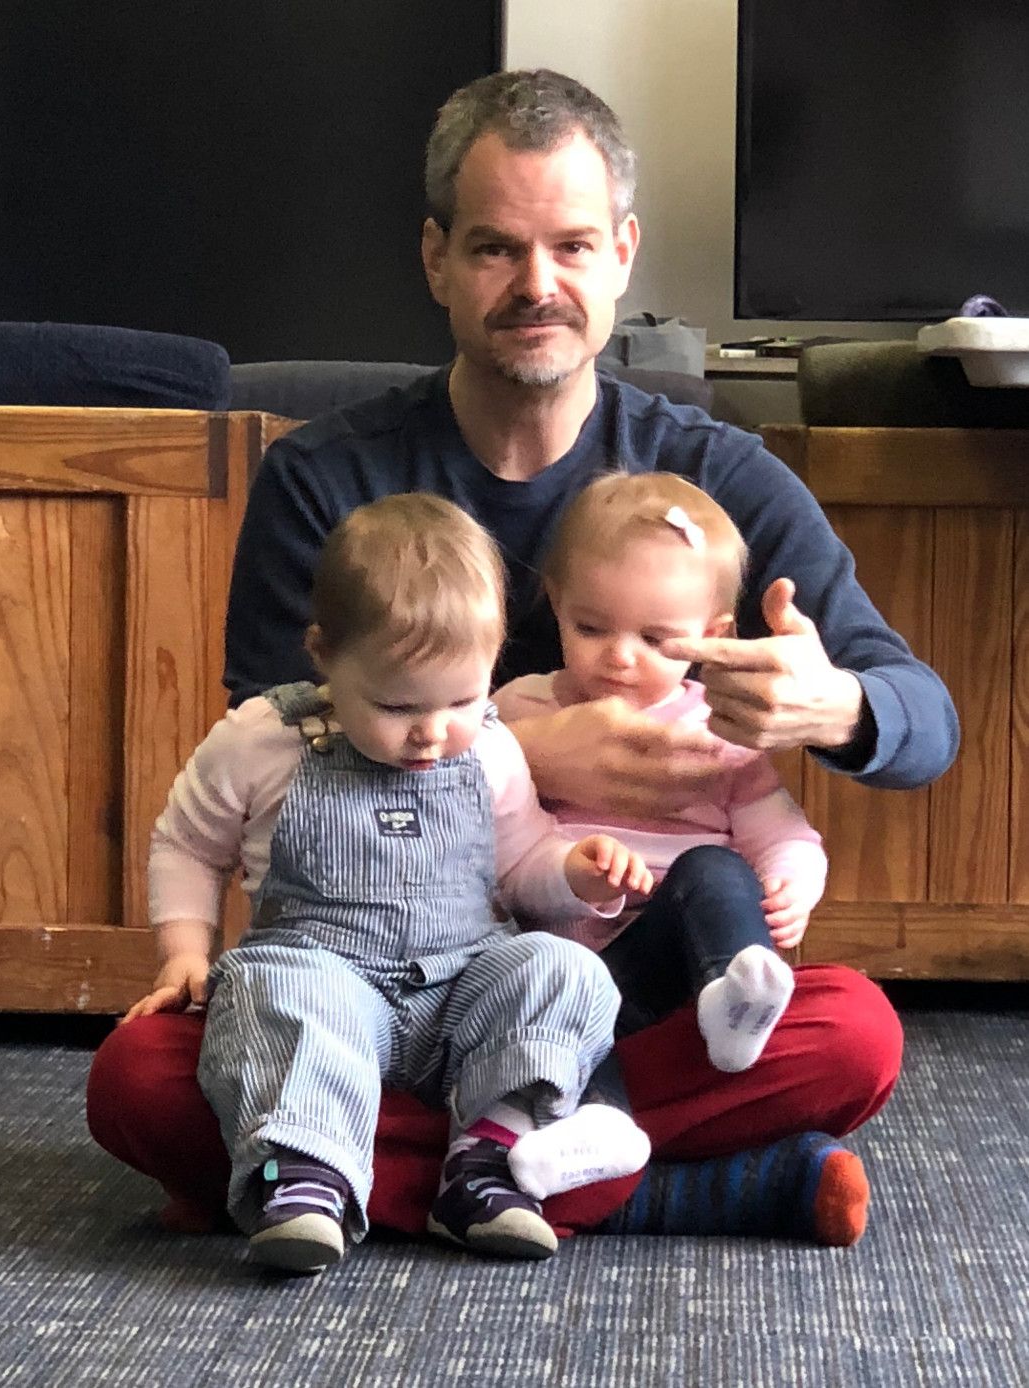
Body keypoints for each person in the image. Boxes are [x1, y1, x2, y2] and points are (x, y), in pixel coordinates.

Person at [88, 68, 933, 1247]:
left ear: (623, 251)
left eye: (572, 245)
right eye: (496, 248)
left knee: (853, 1034)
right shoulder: (325, 480)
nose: (539, 285)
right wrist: (527, 747)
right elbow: (279, 751)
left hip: (625, 985)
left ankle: (322, 1165)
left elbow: (920, 718)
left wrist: (830, 701)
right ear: (436, 257)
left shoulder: (716, 480)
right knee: (136, 1076)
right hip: (371, 988)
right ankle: (672, 1183)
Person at [126, 494, 653, 1274]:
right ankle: (303, 1177)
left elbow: (519, 865)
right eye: (396, 705)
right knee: (271, 989)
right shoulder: (263, 739)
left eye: (462, 700)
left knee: (567, 971)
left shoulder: (490, 751)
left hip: (463, 991)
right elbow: (187, 845)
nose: (431, 732)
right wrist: (182, 951)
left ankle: (487, 1163)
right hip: (326, 979)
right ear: (323, 656)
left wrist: (574, 874)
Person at [495, 471, 827, 1075]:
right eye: (590, 627)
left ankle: (737, 1000)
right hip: (557, 971)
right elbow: (468, 818)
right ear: (556, 601)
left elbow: (780, 829)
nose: (620, 656)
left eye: (656, 639)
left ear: (711, 637)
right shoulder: (521, 708)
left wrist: (790, 883)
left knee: (716, 869)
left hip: (678, 962)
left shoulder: (717, 726)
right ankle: (584, 1093)